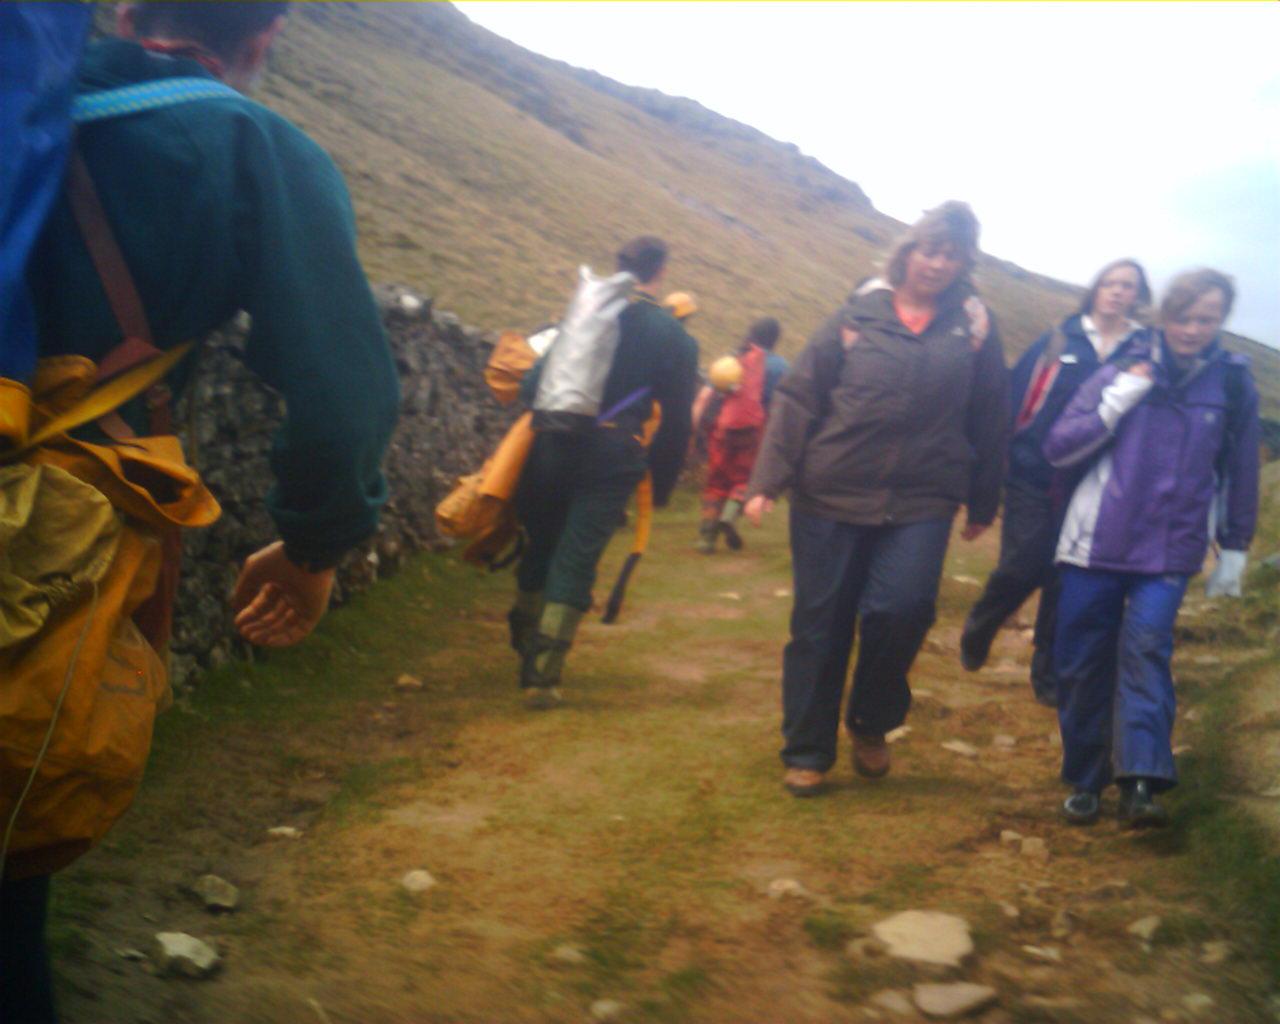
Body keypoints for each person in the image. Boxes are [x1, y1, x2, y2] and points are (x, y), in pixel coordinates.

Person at [4, 5, 400, 1020]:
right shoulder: (254, 145)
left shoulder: (28, 84)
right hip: (61, 531)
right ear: (263, 40)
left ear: (125, 10)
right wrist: (312, 547)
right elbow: (342, 390)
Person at [744, 202, 1009, 796]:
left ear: (964, 264)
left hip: (922, 498)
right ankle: (809, 750)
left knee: (903, 609)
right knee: (821, 625)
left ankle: (870, 721)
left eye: (951, 255)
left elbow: (992, 411)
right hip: (830, 491)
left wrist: (986, 498)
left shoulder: (973, 329)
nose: (937, 264)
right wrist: (766, 481)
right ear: (907, 252)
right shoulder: (855, 316)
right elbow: (800, 397)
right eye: (929, 250)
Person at [1045, 269, 1259, 827]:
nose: (1192, 329)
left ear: (1220, 322)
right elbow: (1059, 446)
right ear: (1164, 315)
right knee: (1082, 663)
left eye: (1206, 319)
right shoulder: (1122, 364)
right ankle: (1085, 779)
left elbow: (1240, 469)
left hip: (1170, 549)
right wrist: (1118, 397)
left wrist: (1234, 546)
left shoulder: (1232, 382)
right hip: (1095, 544)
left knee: (1145, 652)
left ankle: (1140, 781)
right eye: (1183, 317)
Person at [511, 236, 699, 708]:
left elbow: (533, 385)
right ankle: (543, 675)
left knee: (544, 540)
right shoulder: (672, 336)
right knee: (577, 554)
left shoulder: (585, 314)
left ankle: (524, 625)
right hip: (614, 452)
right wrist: (661, 481)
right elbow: (677, 420)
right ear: (661, 270)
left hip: (554, 441)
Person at [960, 259, 1150, 705]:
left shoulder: (1142, 352)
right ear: (1096, 288)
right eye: (1111, 283)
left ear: (1138, 297)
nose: (1118, 292)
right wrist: (998, 458)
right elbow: (1014, 395)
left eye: (1129, 286)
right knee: (1024, 564)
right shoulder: (1060, 339)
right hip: (1034, 473)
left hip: (1099, 484)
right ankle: (983, 623)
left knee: (1066, 579)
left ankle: (1046, 668)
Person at [692, 317, 782, 553]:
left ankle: (706, 539)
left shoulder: (731, 359)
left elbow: (704, 397)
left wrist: (695, 427)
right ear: (775, 340)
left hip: (722, 429)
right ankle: (730, 516)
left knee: (716, 482)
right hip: (754, 432)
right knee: (745, 479)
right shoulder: (779, 367)